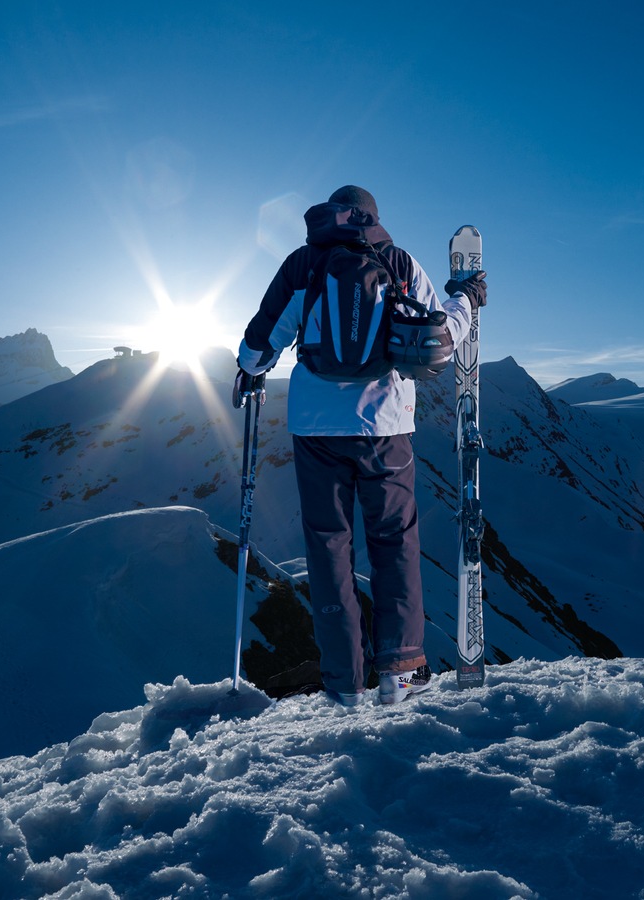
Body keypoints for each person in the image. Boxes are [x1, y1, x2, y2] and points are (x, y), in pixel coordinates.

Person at [233, 185, 487, 706]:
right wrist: (468, 296)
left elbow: (259, 346)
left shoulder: (302, 264)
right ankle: (401, 671)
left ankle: (343, 685)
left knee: (329, 550)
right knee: (394, 541)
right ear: (374, 217)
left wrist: (251, 371)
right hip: (386, 426)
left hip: (315, 429)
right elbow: (441, 335)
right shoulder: (398, 261)